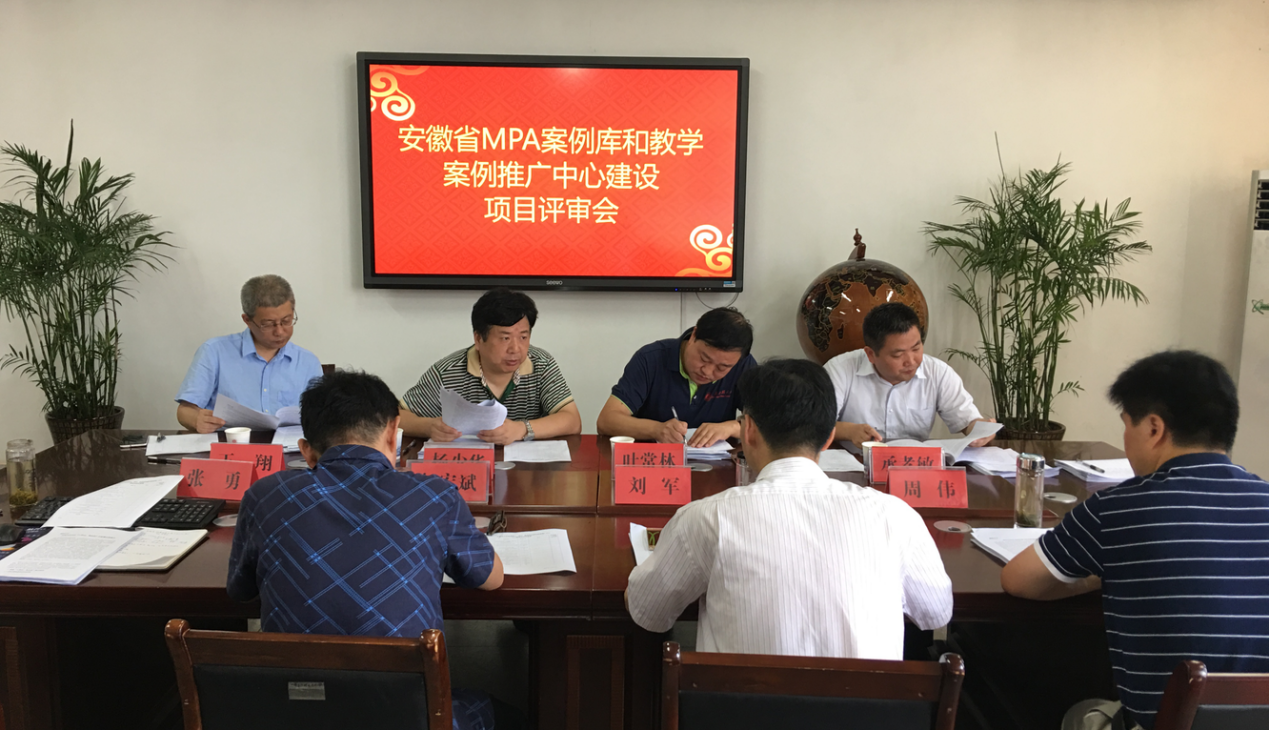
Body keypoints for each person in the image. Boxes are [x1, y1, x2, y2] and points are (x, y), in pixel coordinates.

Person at [227, 370, 509, 730]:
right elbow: (490, 578)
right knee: (498, 708)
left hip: (294, 712)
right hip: (407, 716)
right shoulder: (433, 495)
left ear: (306, 451)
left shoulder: (264, 496)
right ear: (393, 433)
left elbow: (239, 590)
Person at [1001, 351, 1269, 730]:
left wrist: (1106, 573)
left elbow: (1019, 580)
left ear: (1154, 428)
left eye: (1127, 425)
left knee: (1078, 715)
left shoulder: (1119, 508)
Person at [625, 358, 952, 657]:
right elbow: (936, 613)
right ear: (828, 437)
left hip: (738, 700)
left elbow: (647, 611)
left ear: (748, 430)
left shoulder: (708, 518)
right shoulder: (895, 516)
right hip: (872, 703)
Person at [400, 288, 581, 445]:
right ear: (478, 339)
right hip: (469, 464)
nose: (515, 349)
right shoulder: (448, 372)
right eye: (505, 338)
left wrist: (522, 429)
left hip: (528, 468)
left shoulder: (541, 364)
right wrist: (429, 427)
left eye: (523, 337)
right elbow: (397, 417)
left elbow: (572, 420)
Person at [825, 302, 995, 447]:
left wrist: (981, 430)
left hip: (914, 467)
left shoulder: (938, 372)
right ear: (871, 354)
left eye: (916, 348)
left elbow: (968, 421)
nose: (911, 361)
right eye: (898, 355)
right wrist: (849, 431)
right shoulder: (840, 370)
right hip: (853, 466)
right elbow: (813, 425)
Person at [174, 275, 323, 433]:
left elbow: (322, 416)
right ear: (247, 320)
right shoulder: (214, 352)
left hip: (289, 446)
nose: (279, 331)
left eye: (286, 321)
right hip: (230, 445)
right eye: (268, 324)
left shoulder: (308, 362)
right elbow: (185, 411)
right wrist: (196, 419)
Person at [596, 307, 756, 446]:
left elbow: (767, 424)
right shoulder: (650, 359)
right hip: (654, 462)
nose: (707, 371)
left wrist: (733, 427)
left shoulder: (743, 366)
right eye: (704, 359)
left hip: (720, 465)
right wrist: (656, 429)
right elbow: (607, 421)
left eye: (722, 368)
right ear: (693, 336)